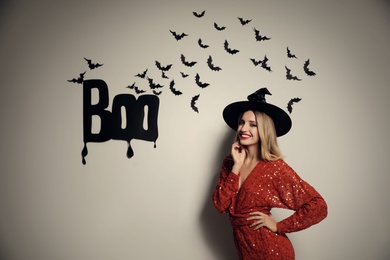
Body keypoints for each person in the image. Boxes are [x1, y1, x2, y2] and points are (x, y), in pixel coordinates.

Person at [212, 88, 327, 259]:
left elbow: (318, 207)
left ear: (264, 130)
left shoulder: (274, 168)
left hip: (271, 250)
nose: (244, 128)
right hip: (244, 248)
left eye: (253, 124)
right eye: (241, 122)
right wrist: (237, 166)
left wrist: (278, 226)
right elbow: (220, 205)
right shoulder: (230, 162)